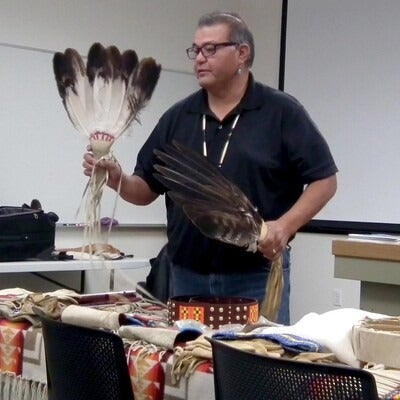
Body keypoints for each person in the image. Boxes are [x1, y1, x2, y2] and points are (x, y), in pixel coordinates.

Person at [83, 11, 337, 325]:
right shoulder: (178, 117)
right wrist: (117, 179)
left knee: (255, 369)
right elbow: (145, 189)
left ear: (242, 53)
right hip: (187, 276)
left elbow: (325, 181)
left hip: (255, 275)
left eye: (211, 49)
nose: (199, 59)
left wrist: (284, 227)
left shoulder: (281, 112)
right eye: (196, 50)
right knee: (191, 369)